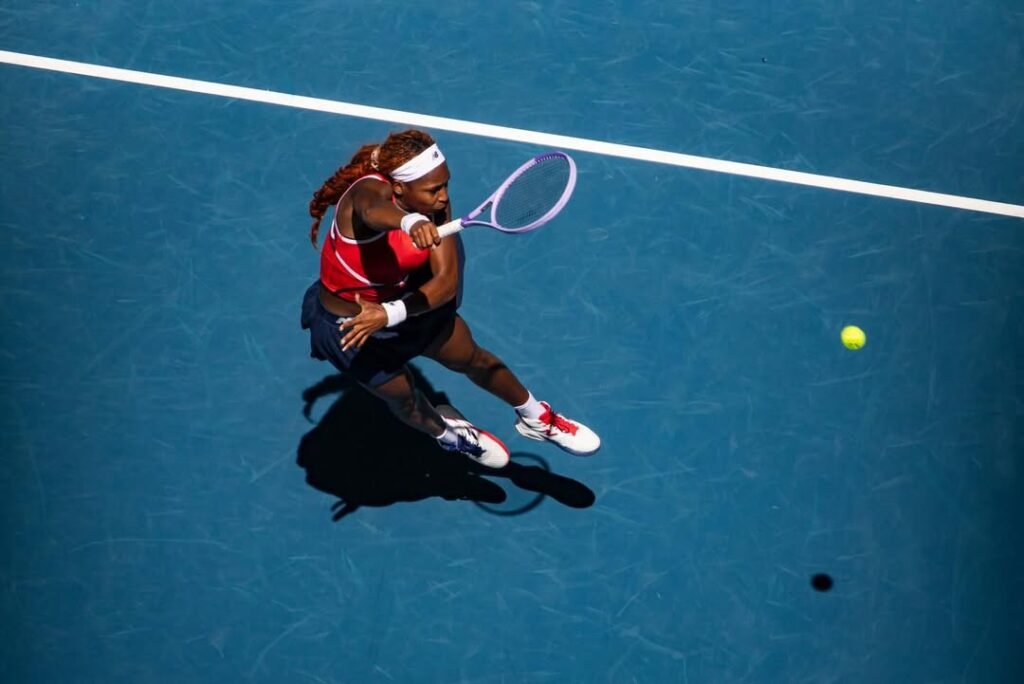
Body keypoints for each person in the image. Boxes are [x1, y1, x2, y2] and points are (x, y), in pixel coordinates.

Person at [300, 128, 600, 468]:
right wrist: (410, 220)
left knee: (474, 358)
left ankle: (536, 417)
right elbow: (373, 211)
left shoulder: (434, 205)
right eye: (433, 189)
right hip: (351, 330)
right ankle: (451, 436)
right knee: (405, 400)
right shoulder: (365, 196)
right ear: (399, 188)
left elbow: (445, 282)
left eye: (445, 184)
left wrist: (391, 313)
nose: (443, 197)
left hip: (403, 309)